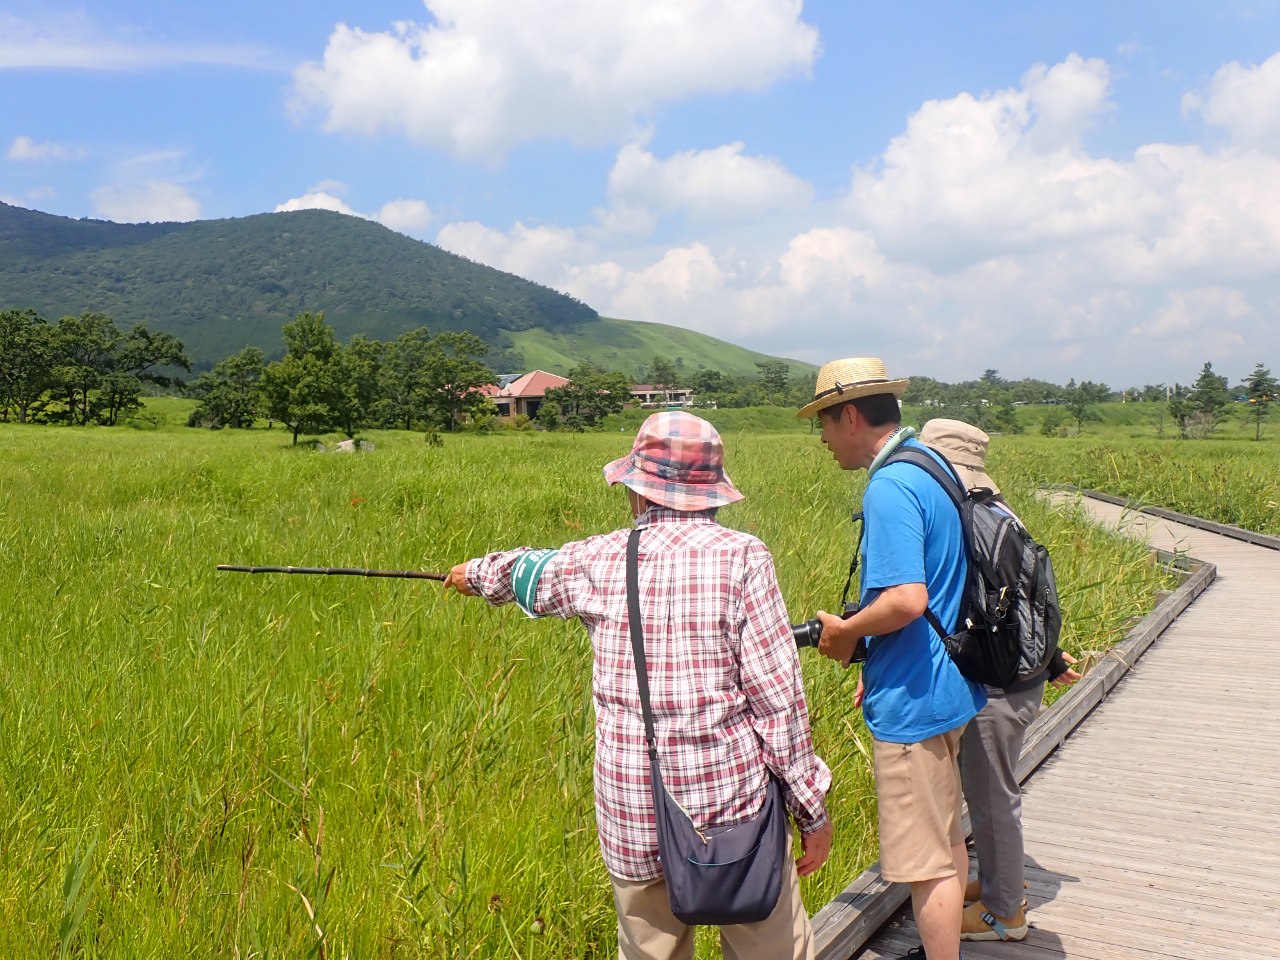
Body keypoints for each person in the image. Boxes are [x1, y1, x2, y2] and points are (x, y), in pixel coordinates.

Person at [444, 410, 833, 960]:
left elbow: (527, 571)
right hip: (730, 812)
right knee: (773, 950)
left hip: (632, 809)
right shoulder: (744, 557)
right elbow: (778, 702)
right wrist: (811, 809)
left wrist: (474, 574)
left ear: (638, 490)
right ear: (711, 493)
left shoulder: (596, 558)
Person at [798, 358, 985, 960]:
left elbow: (907, 599)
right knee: (947, 839)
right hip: (949, 684)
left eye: (824, 422)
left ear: (850, 416)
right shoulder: (931, 465)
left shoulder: (889, 486)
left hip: (914, 701)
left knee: (925, 863)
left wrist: (846, 632)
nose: (823, 438)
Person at [917, 418, 1081, 943]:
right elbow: (1024, 603)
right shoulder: (1000, 512)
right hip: (1022, 674)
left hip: (999, 683)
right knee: (991, 792)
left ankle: (1005, 912)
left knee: (991, 798)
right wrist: (1048, 659)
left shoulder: (967, 519)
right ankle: (997, 881)